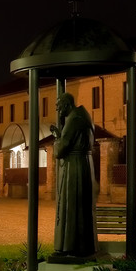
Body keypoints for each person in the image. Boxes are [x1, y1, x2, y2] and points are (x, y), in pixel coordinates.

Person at [50, 93, 98, 259]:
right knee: (78, 207)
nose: (57, 110)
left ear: (66, 105)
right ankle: (79, 246)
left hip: (74, 167)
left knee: (72, 206)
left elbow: (61, 149)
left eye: (58, 106)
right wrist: (60, 135)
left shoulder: (74, 119)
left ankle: (70, 247)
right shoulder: (82, 116)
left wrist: (57, 140)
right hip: (82, 164)